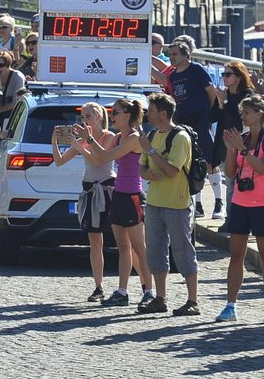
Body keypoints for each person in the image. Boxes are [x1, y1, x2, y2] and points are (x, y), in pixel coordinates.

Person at [216, 95, 264, 324]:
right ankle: (230, 305)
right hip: (241, 202)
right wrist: (230, 150)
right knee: (236, 255)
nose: (242, 116)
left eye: (246, 112)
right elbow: (231, 173)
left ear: (259, 114)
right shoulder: (241, 139)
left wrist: (243, 150)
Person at [84, 99, 154, 306]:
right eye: (111, 112)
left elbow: (106, 156)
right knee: (122, 246)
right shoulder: (117, 138)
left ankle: (149, 290)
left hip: (132, 195)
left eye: (115, 112)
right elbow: (101, 157)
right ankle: (122, 291)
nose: (112, 116)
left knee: (139, 248)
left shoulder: (133, 138)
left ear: (127, 115)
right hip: (118, 194)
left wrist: (88, 139)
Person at [137, 92, 201, 316]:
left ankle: (192, 300)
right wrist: (147, 173)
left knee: (183, 252)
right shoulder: (153, 135)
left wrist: (151, 151)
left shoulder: (180, 137)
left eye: (151, 111)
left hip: (177, 204)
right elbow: (141, 167)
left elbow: (172, 171)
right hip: (154, 202)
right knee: (155, 252)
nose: (148, 114)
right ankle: (160, 298)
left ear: (163, 114)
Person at [52, 103, 117, 302]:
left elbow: (100, 161)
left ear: (98, 117)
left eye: (88, 116)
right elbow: (60, 161)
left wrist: (81, 146)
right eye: (83, 117)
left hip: (107, 189)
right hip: (89, 189)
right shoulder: (82, 140)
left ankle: (143, 285)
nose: (84, 121)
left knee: (125, 242)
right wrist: (55, 141)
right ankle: (99, 286)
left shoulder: (109, 137)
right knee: (95, 242)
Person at [166, 40, 222, 219]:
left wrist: (209, 113)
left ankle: (219, 203)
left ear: (185, 54)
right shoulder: (173, 76)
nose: (172, 58)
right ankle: (196, 203)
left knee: (209, 160)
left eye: (175, 54)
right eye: (170, 54)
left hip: (200, 118)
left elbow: (210, 91)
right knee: (191, 162)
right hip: (183, 120)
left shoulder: (196, 69)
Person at [212, 61, 255, 226]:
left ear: (238, 77)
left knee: (239, 183)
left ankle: (237, 221)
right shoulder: (225, 94)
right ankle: (231, 221)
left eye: (228, 74)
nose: (224, 78)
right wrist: (219, 101)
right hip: (225, 144)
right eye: (223, 74)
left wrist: (225, 103)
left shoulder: (247, 94)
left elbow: (241, 117)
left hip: (242, 143)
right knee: (229, 182)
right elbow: (213, 117)